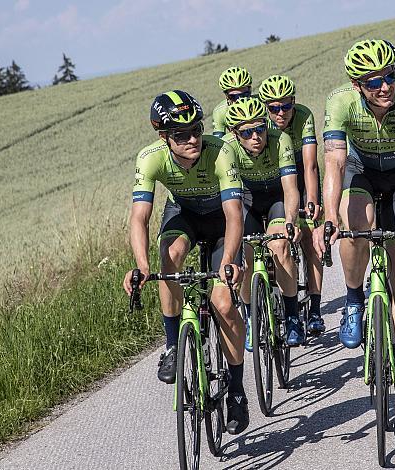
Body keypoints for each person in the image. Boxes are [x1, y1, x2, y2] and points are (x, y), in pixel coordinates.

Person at [315, 39, 395, 418]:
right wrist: (329, 218)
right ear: (357, 86)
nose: (384, 87)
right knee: (354, 224)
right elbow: (334, 162)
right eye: (373, 82)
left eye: (389, 77)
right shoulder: (340, 103)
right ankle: (354, 299)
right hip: (361, 171)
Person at [123, 90, 249, 434]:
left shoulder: (221, 151)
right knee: (168, 259)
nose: (193, 139)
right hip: (185, 215)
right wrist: (142, 267)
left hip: (223, 220)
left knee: (223, 302)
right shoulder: (150, 158)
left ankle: (236, 390)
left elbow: (235, 215)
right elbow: (139, 218)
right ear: (164, 138)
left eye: (196, 129)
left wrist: (228, 262)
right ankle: (171, 346)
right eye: (181, 135)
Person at [221, 96, 304, 347]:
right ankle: (250, 317)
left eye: (259, 129)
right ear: (235, 134)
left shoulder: (281, 140)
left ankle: (291, 315)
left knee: (279, 246)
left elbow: (290, 188)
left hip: (276, 198)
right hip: (246, 203)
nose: (256, 137)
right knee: (246, 255)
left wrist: (291, 221)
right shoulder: (226, 149)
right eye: (247, 132)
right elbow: (230, 202)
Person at [257, 75, 325, 335]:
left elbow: (310, 165)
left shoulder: (304, 116)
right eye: (273, 108)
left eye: (286, 106)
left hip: (300, 172)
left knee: (309, 237)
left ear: (294, 103)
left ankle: (316, 308)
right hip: (276, 180)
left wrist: (312, 201)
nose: (280, 113)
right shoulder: (259, 126)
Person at [211, 66, 253, 137]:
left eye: (244, 95)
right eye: (234, 97)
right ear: (226, 95)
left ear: (250, 90)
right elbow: (218, 140)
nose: (240, 100)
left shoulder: (261, 103)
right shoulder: (220, 112)